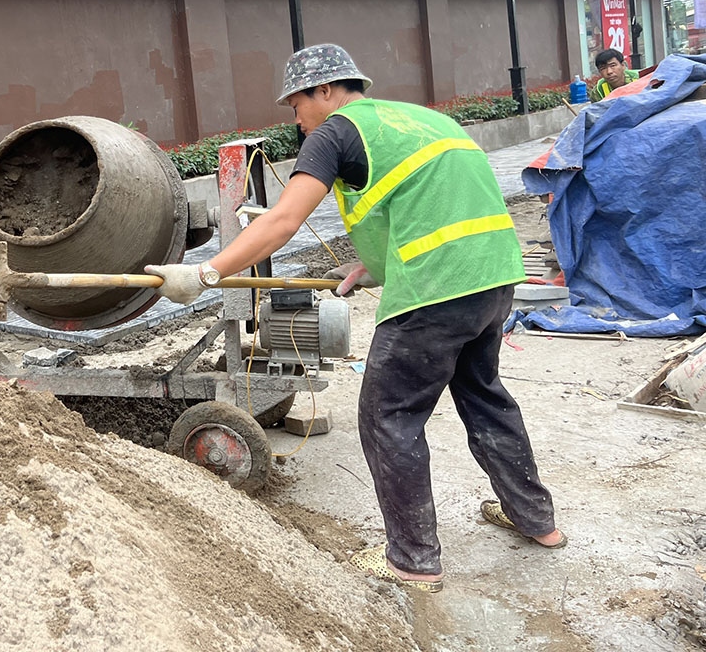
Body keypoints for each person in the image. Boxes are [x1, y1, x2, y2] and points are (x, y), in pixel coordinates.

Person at [146, 43, 565, 593]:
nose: (296, 120)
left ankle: (413, 561)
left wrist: (205, 274)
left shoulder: (336, 132)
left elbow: (283, 221)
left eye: (296, 105)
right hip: (492, 277)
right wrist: (375, 262)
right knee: (485, 395)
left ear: (325, 91)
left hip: (433, 291)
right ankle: (537, 521)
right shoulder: (416, 119)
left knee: (387, 416)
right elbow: (430, 197)